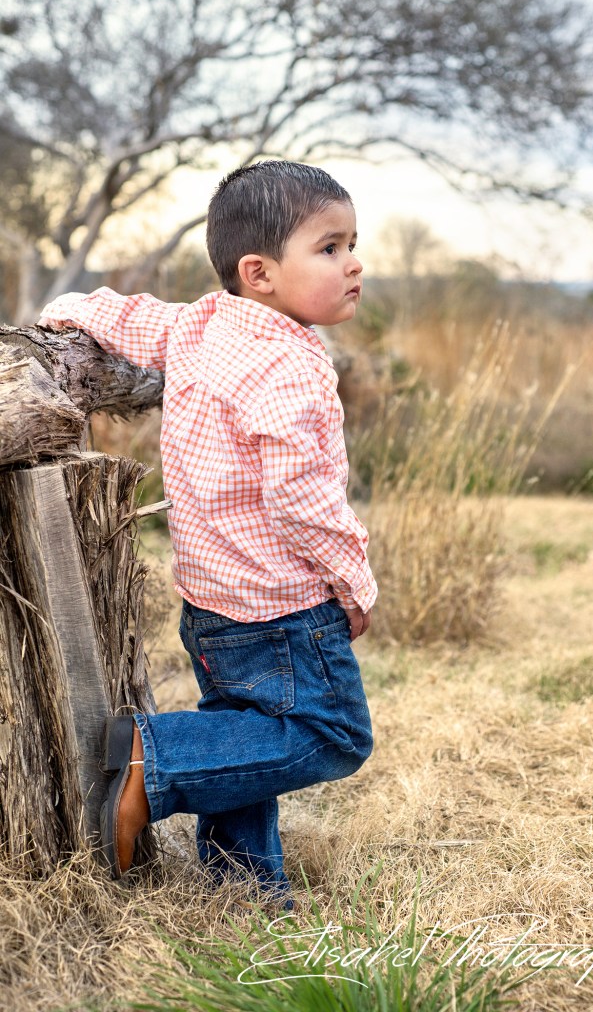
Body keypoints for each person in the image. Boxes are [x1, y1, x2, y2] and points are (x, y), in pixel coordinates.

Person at [38, 160, 377, 908]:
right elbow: (302, 498)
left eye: (353, 243)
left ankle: (245, 891)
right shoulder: (291, 365)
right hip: (282, 606)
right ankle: (152, 760)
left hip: (213, 603)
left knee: (241, 731)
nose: (354, 264)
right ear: (258, 272)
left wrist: (66, 308)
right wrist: (354, 581)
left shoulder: (197, 323)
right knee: (333, 735)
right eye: (329, 248)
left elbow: (124, 316)